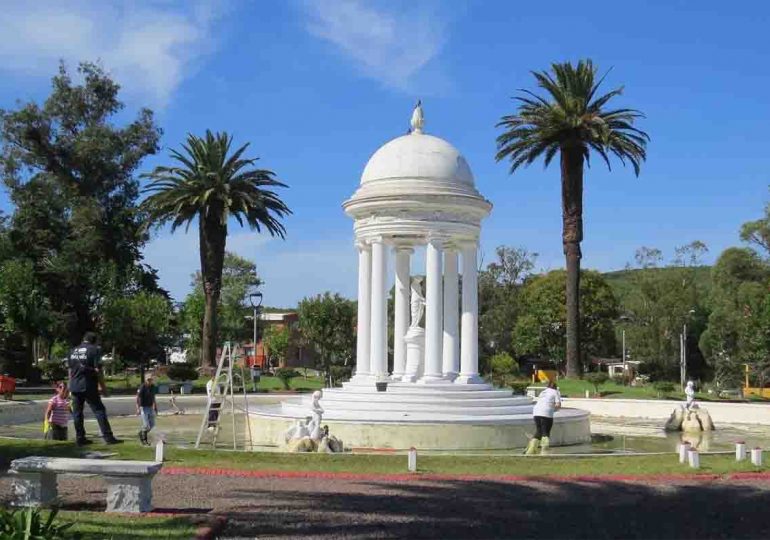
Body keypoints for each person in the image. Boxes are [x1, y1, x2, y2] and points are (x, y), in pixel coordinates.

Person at [68, 332, 121, 446]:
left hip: (75, 385)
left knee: (77, 413)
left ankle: (80, 438)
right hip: (88, 385)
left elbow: (70, 370)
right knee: (99, 410)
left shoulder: (73, 350)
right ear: (94, 340)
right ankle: (108, 437)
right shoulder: (94, 350)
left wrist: (70, 385)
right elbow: (99, 371)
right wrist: (103, 388)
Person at [525, 380, 561, 454]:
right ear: (555, 387)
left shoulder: (543, 392)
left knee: (539, 431)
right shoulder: (555, 392)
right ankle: (545, 449)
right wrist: (554, 410)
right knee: (546, 431)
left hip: (536, 412)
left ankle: (530, 450)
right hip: (546, 413)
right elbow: (558, 405)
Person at [136, 375, 158, 446]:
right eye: (148, 380)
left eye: (151, 380)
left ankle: (141, 433)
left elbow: (153, 397)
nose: (149, 381)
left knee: (152, 424)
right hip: (143, 407)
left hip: (150, 406)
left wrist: (155, 406)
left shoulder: (153, 387)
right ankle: (144, 440)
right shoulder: (142, 387)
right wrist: (138, 408)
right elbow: (138, 398)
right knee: (146, 425)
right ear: (146, 380)